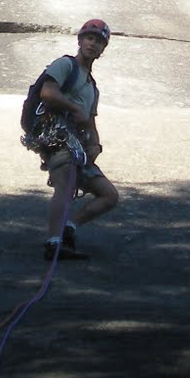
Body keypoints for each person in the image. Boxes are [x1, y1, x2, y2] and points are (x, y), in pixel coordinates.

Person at [26, 18, 120, 261]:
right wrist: (72, 108)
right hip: (55, 134)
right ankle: (54, 242)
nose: (92, 44)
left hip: (77, 143)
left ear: (103, 49)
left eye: (99, 41)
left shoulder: (92, 87)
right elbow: (48, 92)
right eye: (89, 38)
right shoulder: (65, 65)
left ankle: (69, 227)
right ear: (80, 41)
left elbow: (90, 120)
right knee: (65, 187)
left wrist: (95, 144)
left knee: (109, 195)